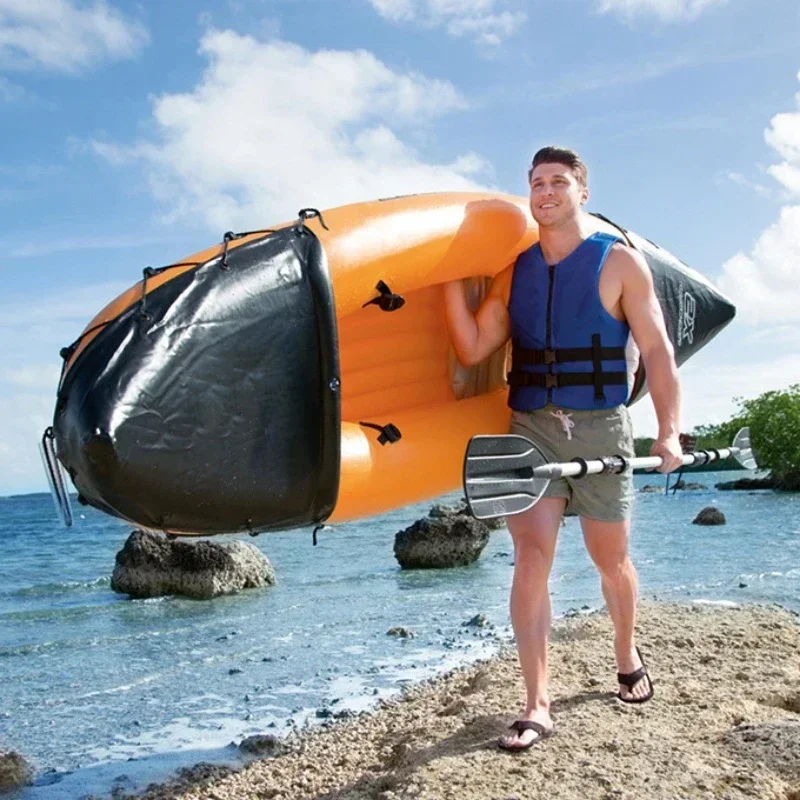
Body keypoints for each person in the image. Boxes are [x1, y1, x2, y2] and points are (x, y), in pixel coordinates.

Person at [443, 146, 683, 751]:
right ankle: (536, 703)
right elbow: (473, 347)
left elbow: (656, 353)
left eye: (557, 182)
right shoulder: (515, 270)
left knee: (611, 559)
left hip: (602, 427)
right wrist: (443, 275)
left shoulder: (620, 263)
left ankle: (625, 652)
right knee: (531, 557)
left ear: (582, 191)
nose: (544, 191)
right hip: (531, 426)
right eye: (535, 183)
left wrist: (669, 430)